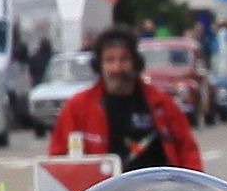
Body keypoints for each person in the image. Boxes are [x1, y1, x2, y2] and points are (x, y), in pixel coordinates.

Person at [49, 28, 205, 173]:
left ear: (135, 62)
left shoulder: (162, 104)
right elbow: (57, 161)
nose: (117, 68)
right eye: (110, 60)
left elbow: (189, 153)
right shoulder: (77, 108)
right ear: (99, 65)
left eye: (124, 60)